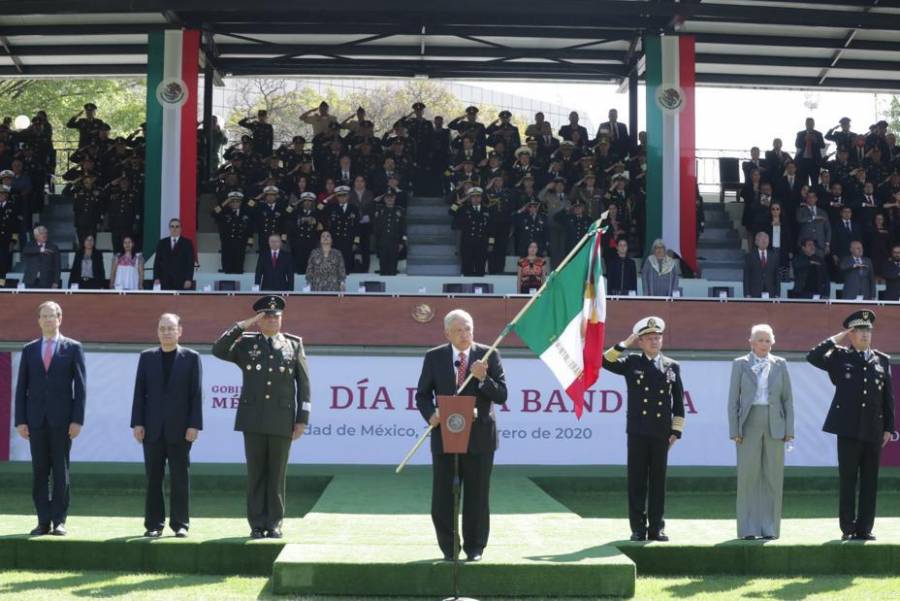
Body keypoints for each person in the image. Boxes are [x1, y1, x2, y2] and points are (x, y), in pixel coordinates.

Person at [212, 295, 311, 539]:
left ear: (282, 319)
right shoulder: (247, 344)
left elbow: (304, 385)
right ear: (259, 321)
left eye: (276, 316)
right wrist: (241, 325)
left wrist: (302, 419)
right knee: (256, 473)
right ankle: (257, 524)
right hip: (253, 418)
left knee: (277, 475)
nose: (272, 320)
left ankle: (274, 523)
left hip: (282, 419)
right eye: (266, 316)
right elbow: (218, 349)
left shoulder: (293, 344)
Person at [415, 309, 508, 561]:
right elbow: (422, 395)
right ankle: (449, 548)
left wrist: (483, 378)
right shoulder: (434, 357)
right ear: (447, 333)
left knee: (477, 496)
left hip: (480, 439)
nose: (465, 334)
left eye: (468, 328)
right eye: (459, 330)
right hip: (446, 436)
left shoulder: (489, 355)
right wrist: (430, 414)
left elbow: (501, 395)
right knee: (443, 497)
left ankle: (475, 547)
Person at [807, 311, 894, 540]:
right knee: (848, 479)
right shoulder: (839, 357)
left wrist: (889, 428)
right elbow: (813, 356)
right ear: (851, 334)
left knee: (869, 480)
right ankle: (848, 528)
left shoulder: (881, 360)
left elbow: (888, 398)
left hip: (874, 430)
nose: (865, 335)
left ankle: (865, 528)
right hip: (848, 429)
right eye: (859, 331)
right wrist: (835, 338)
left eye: (868, 330)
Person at [602, 317, 685, 542]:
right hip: (638, 431)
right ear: (640, 342)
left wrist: (676, 431)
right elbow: (605, 361)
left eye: (657, 338)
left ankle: (657, 527)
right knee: (637, 480)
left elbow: (678, 402)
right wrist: (624, 344)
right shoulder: (632, 362)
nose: (654, 342)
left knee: (658, 481)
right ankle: (638, 528)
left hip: (661, 432)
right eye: (649, 338)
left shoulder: (671, 365)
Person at [14, 301, 86, 536]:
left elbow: (81, 388)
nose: (48, 320)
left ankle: (59, 520)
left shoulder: (73, 348)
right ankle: (42, 520)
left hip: (63, 422)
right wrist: (21, 420)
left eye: (52, 316)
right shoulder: (29, 349)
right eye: (43, 316)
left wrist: (77, 420)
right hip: (35, 421)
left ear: (60, 319)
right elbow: (21, 387)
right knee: (40, 471)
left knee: (60, 469)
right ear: (38, 320)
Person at [131, 313, 202, 538]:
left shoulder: (191, 358)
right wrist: (137, 423)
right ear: (157, 331)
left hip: (181, 430)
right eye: (162, 328)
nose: (166, 332)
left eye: (171, 328)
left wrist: (194, 425)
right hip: (151, 429)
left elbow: (196, 394)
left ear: (180, 331)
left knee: (180, 477)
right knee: (153, 478)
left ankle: (180, 524)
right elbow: (139, 394)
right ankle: (154, 524)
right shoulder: (147, 357)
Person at [728, 324, 794, 540]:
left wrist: (789, 430)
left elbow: (788, 399)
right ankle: (747, 529)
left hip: (775, 424)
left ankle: (770, 529)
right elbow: (732, 401)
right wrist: (734, 429)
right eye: (760, 340)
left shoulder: (781, 364)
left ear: (772, 342)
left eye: (768, 340)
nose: (764, 344)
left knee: (773, 477)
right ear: (751, 342)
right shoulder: (739, 364)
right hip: (748, 424)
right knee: (748, 477)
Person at [153, 218, 195, 290]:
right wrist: (156, 277)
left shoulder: (187, 243)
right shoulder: (162, 243)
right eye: (172, 226)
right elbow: (157, 262)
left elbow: (190, 263)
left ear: (181, 228)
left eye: (177, 226)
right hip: (165, 280)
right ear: (169, 228)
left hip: (181, 281)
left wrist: (189, 279)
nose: (174, 229)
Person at [743, 232, 780, 298]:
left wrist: (777, 293)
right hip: (754, 292)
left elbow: (777, 276)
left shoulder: (774, 256)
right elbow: (746, 276)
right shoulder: (750, 256)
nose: (764, 240)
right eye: (761, 238)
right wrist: (747, 293)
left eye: (766, 238)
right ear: (756, 242)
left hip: (770, 291)